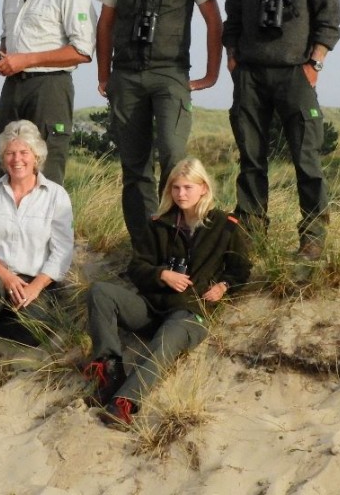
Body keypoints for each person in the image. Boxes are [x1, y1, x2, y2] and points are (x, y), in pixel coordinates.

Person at [95, 0, 223, 255]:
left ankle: (179, 239)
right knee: (134, 167)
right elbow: (105, 22)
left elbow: (213, 18)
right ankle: (145, 246)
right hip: (127, 74)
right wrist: (104, 74)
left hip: (170, 73)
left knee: (172, 155)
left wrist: (211, 74)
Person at [222, 0, 340, 260]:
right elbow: (233, 15)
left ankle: (313, 238)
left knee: (306, 157)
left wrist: (315, 62)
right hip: (252, 73)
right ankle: (252, 233)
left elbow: (330, 14)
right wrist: (232, 57)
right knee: (251, 158)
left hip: (296, 71)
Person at [83, 158, 250, 426]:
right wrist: (162, 274)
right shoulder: (159, 223)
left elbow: (241, 269)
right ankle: (109, 373)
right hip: (151, 308)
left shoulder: (225, 225)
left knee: (169, 335)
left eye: (188, 187)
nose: (181, 194)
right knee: (100, 291)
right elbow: (136, 268)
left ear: (204, 189)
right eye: (175, 188)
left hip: (190, 312)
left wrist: (223, 286)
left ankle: (124, 403)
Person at [0, 120, 74, 387]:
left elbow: (63, 250)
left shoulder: (56, 196)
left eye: (24, 153)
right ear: (2, 158)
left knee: (38, 331)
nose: (17, 159)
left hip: (36, 284)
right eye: (10, 153)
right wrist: (6, 277)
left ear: (36, 157)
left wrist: (35, 286)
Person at [0, 0, 96, 186]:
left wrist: (27, 59)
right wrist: (5, 58)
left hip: (50, 86)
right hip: (14, 85)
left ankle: (50, 227)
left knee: (47, 164)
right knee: (5, 158)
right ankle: (7, 225)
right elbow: (8, 37)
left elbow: (83, 50)